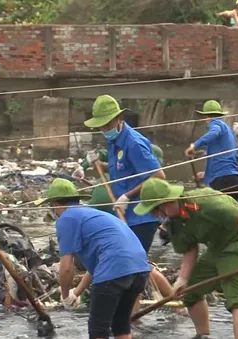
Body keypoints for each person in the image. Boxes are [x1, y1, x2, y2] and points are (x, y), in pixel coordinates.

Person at [134, 178, 238, 339]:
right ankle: (202, 336)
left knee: (236, 300)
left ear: (165, 203)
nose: (155, 215)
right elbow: (190, 249)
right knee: (191, 292)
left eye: (154, 210)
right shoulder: (174, 224)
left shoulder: (205, 202)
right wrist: (182, 280)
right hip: (215, 249)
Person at [83, 94, 169, 314]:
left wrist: (128, 196)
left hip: (142, 216)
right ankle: (130, 320)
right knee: (133, 265)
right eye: (100, 126)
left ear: (119, 119)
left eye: (107, 124)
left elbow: (158, 176)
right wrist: (99, 164)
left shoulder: (134, 143)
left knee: (133, 268)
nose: (103, 129)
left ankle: (132, 321)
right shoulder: (113, 141)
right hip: (126, 216)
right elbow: (123, 169)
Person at [36, 178, 150, 339]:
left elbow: (67, 266)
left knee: (98, 330)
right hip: (140, 269)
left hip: (115, 270)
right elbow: (96, 266)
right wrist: (76, 292)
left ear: (55, 204)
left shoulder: (67, 218)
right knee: (121, 326)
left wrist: (64, 295)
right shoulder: (93, 214)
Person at [185, 100, 238, 201]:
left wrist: (194, 146)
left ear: (206, 117)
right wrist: (207, 174)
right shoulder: (229, 131)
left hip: (223, 181)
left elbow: (214, 133)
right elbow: (227, 159)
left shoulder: (216, 124)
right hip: (236, 180)